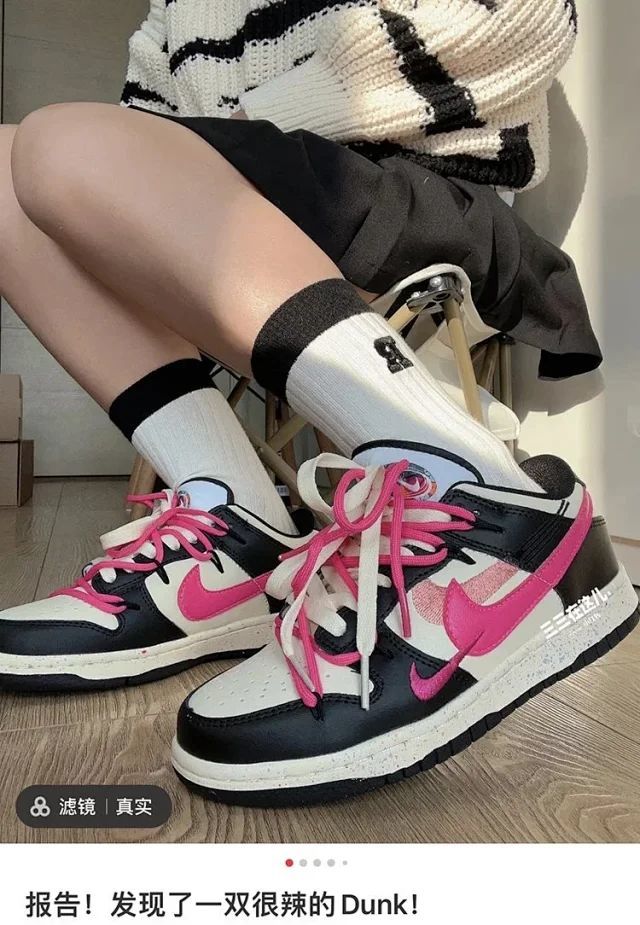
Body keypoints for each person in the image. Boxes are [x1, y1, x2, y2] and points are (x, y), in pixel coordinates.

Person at [0, 0, 636, 805]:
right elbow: (139, 119)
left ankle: (486, 496)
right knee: (10, 165)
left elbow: (526, 19)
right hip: (236, 188)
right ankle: (230, 519)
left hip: (415, 186)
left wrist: (257, 120)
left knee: (66, 145)